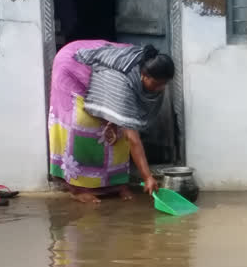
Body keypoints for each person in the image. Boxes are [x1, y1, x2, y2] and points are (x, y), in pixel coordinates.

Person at [48, 40, 175, 204]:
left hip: (102, 73)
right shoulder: (123, 82)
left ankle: (115, 185)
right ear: (143, 75)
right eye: (157, 84)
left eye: (164, 84)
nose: (160, 89)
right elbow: (133, 139)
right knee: (83, 125)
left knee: (118, 132)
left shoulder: (149, 63)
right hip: (73, 65)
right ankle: (77, 189)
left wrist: (114, 121)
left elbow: (123, 112)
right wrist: (148, 177)